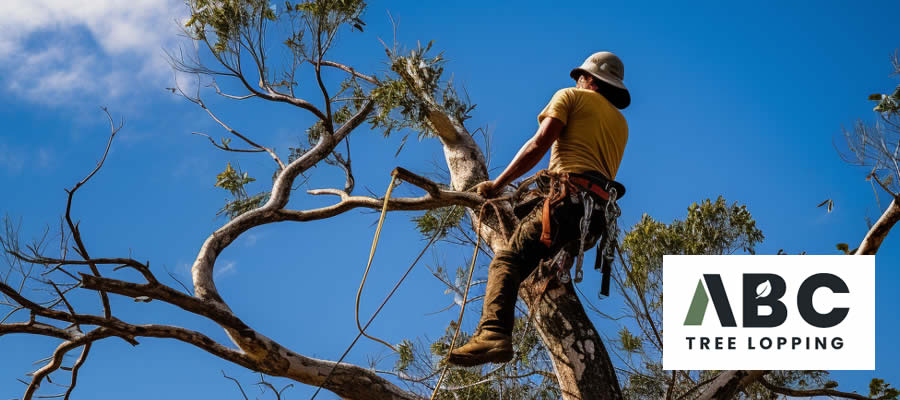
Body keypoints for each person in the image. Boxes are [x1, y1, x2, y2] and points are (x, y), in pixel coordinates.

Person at [447, 51, 631, 366]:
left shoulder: (570, 96)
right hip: (594, 219)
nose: (576, 81)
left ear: (588, 79)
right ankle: (557, 264)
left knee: (507, 261)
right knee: (521, 224)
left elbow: (539, 144)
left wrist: (497, 184)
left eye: (580, 77)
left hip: (565, 201)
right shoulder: (620, 123)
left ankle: (493, 333)